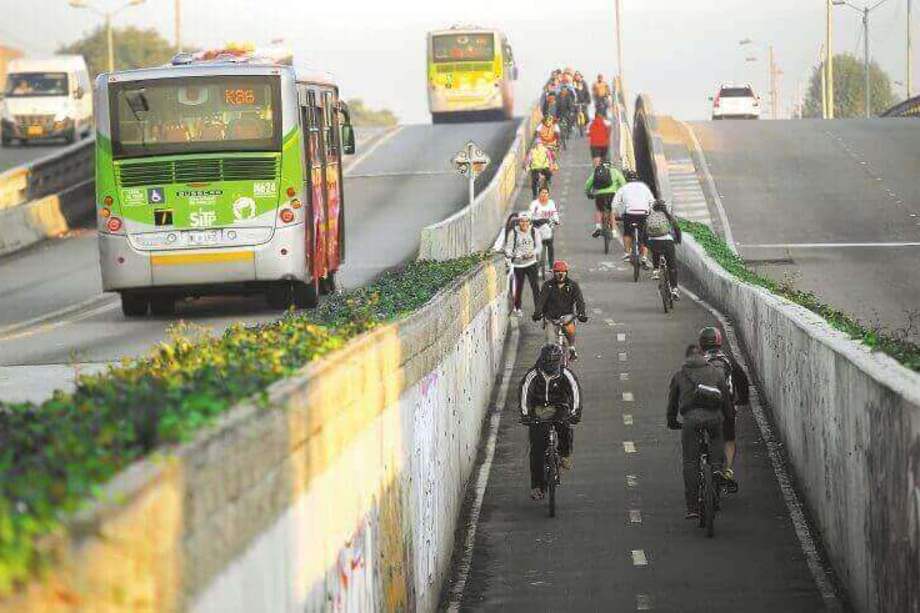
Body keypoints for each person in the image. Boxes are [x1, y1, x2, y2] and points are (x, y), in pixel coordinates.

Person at [666, 344, 735, 519]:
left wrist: (672, 422)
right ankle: (717, 469)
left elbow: (672, 405)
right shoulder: (715, 373)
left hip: (691, 421)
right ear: (703, 357)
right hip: (714, 419)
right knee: (716, 438)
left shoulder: (680, 375)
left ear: (686, 358)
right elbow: (726, 402)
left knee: (690, 461)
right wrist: (728, 420)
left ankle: (693, 508)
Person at [519, 343, 582, 500]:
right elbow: (524, 395)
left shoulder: (566, 374)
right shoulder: (532, 375)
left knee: (564, 426)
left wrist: (575, 413)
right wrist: (526, 416)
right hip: (539, 409)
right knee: (537, 450)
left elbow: (576, 394)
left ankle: (564, 454)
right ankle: (537, 486)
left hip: (559, 406)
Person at [698, 327, 750, 492]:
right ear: (719, 341)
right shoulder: (728, 361)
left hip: (702, 408)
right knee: (729, 439)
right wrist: (743, 400)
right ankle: (726, 471)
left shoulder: (697, 361)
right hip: (726, 406)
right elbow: (742, 381)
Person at [533, 260, 588, 361]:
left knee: (570, 330)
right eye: (557, 271)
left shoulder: (573, 285)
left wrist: (582, 314)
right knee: (550, 344)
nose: (560, 274)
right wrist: (537, 313)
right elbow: (541, 301)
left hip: (567, 317)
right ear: (554, 273)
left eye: (563, 271)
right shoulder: (547, 285)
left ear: (566, 272)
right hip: (551, 317)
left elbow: (580, 301)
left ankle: (571, 347)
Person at [613, 169, 655, 267]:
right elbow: (652, 202)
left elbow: (615, 203)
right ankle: (644, 257)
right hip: (643, 214)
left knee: (627, 232)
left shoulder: (623, 188)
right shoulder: (644, 187)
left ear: (627, 179)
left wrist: (618, 213)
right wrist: (650, 212)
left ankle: (627, 253)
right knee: (644, 236)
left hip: (630, 214)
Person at [503, 212, 542, 317]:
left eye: (526, 221)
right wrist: (514, 255)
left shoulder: (534, 231)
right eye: (521, 221)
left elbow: (539, 247)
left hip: (531, 263)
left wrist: (532, 253)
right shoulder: (513, 233)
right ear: (518, 222)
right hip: (518, 265)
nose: (524, 223)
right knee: (519, 287)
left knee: (535, 286)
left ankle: (539, 309)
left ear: (529, 222)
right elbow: (508, 248)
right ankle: (517, 307)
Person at [646, 200, 683, 300]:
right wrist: (678, 240)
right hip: (667, 242)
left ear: (654, 208)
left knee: (655, 252)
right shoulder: (668, 217)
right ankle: (674, 289)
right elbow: (677, 229)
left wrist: (646, 243)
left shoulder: (650, 217)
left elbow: (645, 232)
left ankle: (656, 270)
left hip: (653, 243)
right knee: (672, 266)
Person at [585, 161, 626, 238]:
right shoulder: (614, 171)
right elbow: (623, 183)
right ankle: (614, 231)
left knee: (599, 210)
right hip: (612, 194)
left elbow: (588, 183)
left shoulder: (597, 172)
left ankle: (598, 227)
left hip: (599, 194)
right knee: (611, 211)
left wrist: (588, 193)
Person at [529, 186, 560, 270]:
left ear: (548, 194)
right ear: (539, 194)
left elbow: (554, 213)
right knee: (533, 244)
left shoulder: (551, 203)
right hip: (537, 226)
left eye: (546, 193)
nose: (544, 194)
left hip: (548, 226)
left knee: (550, 244)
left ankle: (551, 265)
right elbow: (530, 213)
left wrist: (557, 220)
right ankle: (533, 263)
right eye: (542, 192)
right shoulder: (534, 204)